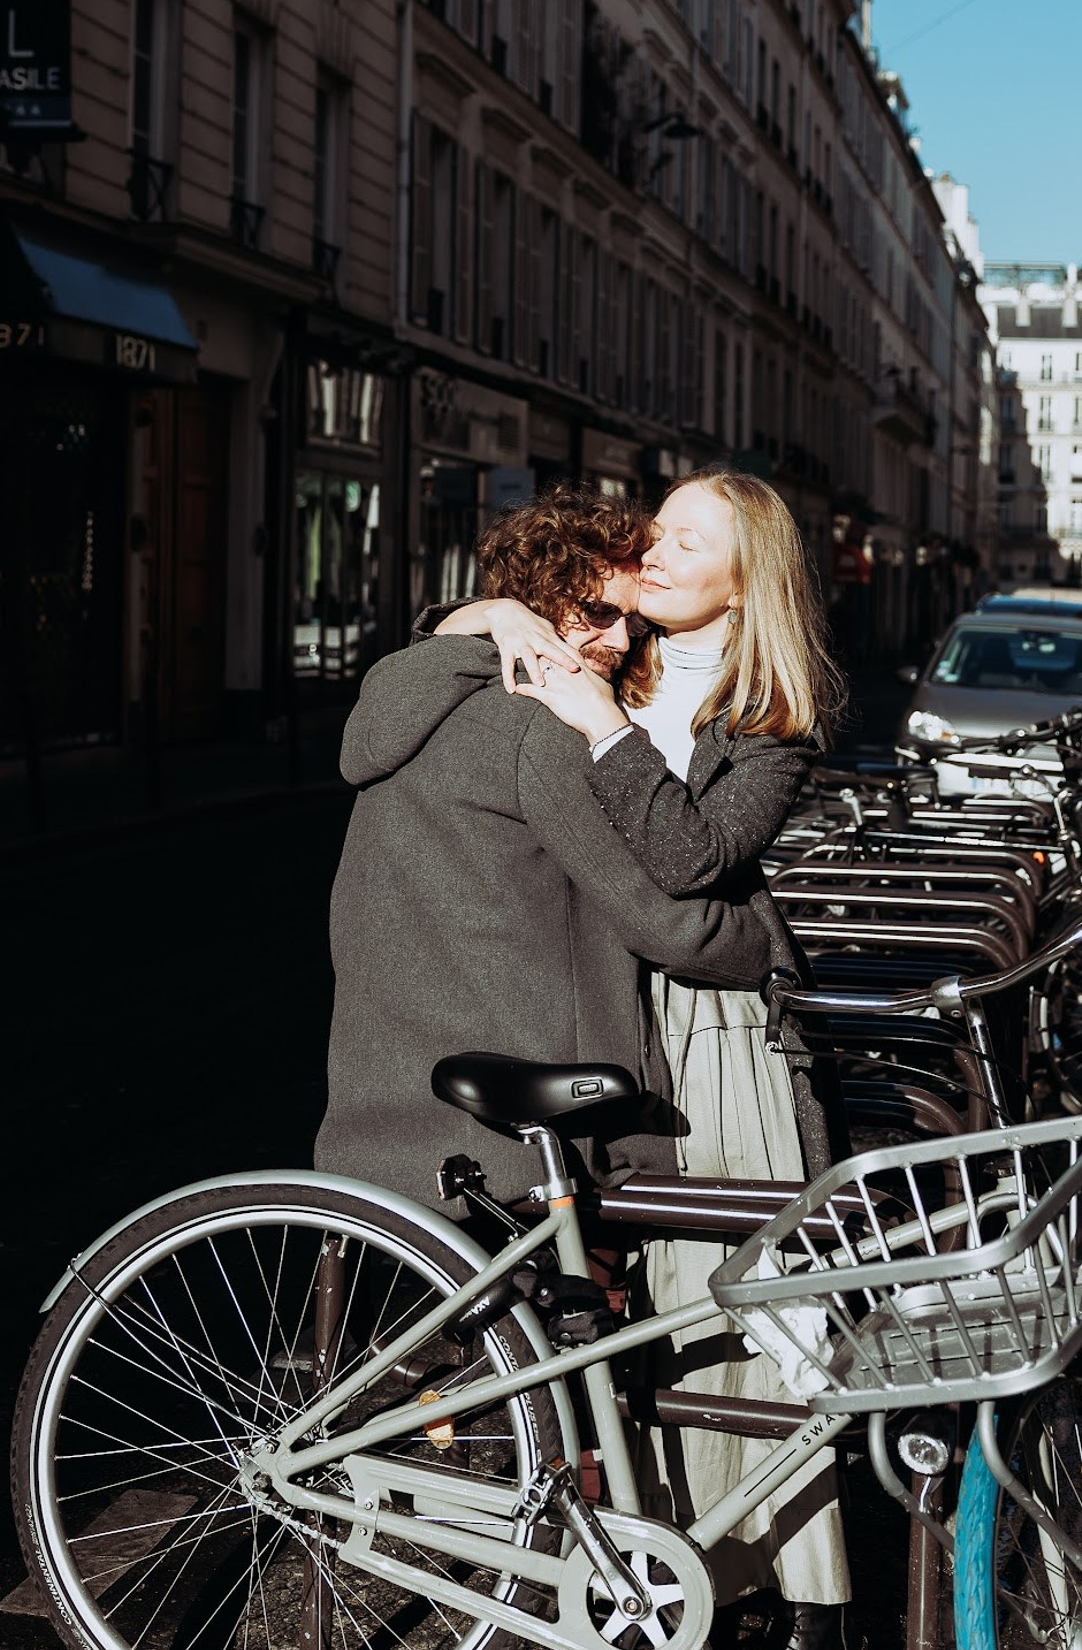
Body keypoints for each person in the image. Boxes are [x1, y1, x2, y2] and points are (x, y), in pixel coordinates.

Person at [433, 470, 853, 1649]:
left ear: (745, 575)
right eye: (656, 531)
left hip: (711, 1031)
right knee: (636, 1321)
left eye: (686, 540)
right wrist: (492, 617)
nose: (654, 553)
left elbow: (691, 856)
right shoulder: (620, 653)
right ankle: (668, 1568)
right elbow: (452, 650)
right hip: (593, 1011)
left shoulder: (776, 714)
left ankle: (798, 1589)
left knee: (753, 1316)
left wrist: (606, 734)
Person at [320, 487, 790, 1212]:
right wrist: (761, 944)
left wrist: (483, 615)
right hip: (507, 1114)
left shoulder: (418, 692)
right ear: (535, 605)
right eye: (599, 614)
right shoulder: (539, 732)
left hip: (388, 1086)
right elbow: (665, 920)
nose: (622, 640)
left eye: (633, 621)